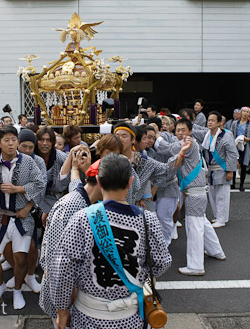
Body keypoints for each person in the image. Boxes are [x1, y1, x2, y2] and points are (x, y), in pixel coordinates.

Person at [48, 153, 172, 329]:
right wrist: (139, 273)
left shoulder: (82, 219)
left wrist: (62, 311)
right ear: (130, 182)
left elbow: (62, 268)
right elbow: (161, 262)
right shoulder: (148, 220)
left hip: (88, 318)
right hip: (130, 318)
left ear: (98, 181)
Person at [0, 126, 45, 310]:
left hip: (22, 218)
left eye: (13, 140)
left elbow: (40, 183)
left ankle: (17, 289)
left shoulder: (29, 162)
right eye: (6, 140)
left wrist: (18, 190)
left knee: (20, 258)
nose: (10, 143)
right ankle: (0, 287)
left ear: (17, 141)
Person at [39, 158, 101, 324]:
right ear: (102, 182)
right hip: (64, 289)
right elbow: (55, 257)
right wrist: (63, 306)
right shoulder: (71, 205)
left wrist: (75, 167)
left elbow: (75, 181)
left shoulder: (85, 198)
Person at [171, 119, 226, 276]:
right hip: (198, 192)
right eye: (178, 130)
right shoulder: (192, 143)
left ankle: (195, 266)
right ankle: (216, 251)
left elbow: (167, 149)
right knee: (202, 222)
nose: (180, 133)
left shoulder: (187, 144)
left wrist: (157, 137)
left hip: (194, 193)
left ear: (190, 131)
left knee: (194, 227)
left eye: (183, 130)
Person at [202, 111, 237, 229]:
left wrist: (230, 171)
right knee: (212, 194)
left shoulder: (226, 135)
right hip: (211, 169)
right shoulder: (207, 135)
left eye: (213, 120)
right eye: (209, 120)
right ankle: (217, 216)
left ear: (219, 123)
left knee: (222, 196)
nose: (210, 122)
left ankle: (222, 219)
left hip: (222, 168)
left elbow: (232, 154)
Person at [36, 127, 69, 223]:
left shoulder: (62, 158)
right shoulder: (31, 157)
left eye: (48, 140)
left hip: (55, 200)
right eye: (41, 140)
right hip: (33, 202)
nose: (45, 143)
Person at [230, 107, 250, 192]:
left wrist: (248, 139)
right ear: (241, 113)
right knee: (234, 164)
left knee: (243, 165)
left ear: (249, 114)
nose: (245, 113)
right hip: (235, 146)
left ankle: (241, 184)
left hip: (245, 146)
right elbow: (231, 133)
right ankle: (233, 183)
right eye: (243, 112)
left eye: (247, 112)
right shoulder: (235, 123)